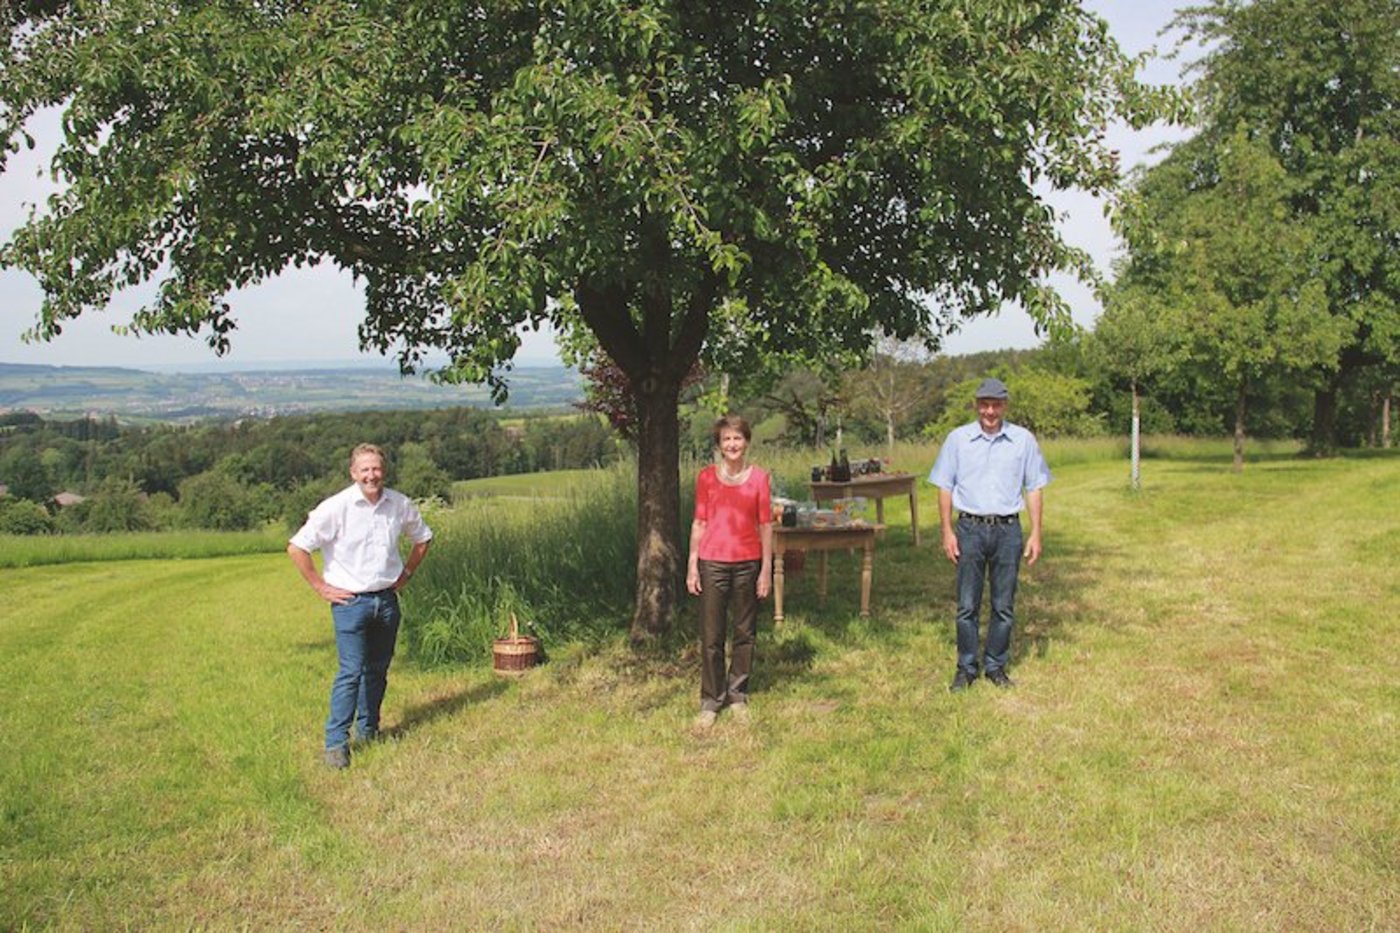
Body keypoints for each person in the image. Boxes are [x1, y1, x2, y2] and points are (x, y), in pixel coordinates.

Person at [288, 443, 433, 769]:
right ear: (353, 473)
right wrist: (320, 586)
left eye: (376, 468)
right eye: (365, 469)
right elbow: (297, 547)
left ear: (384, 471)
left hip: (386, 600)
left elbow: (423, 538)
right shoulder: (335, 507)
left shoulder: (398, 504)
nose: (372, 475)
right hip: (350, 603)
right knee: (351, 672)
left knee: (378, 671)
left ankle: (369, 729)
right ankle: (336, 743)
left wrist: (407, 572)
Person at [928, 378, 1050, 691]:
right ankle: (966, 668)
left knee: (1003, 605)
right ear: (976, 405)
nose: (990, 411)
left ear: (1005, 406)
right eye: (984, 404)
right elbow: (944, 486)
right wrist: (947, 531)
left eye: (996, 404)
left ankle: (996, 666)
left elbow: (1034, 487)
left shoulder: (1023, 440)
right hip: (969, 529)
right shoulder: (958, 440)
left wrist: (1036, 533)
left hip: (1008, 531)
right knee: (967, 605)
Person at [685, 415, 773, 730]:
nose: (732, 444)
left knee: (744, 633)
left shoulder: (760, 478)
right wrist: (692, 564)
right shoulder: (706, 477)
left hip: (748, 563)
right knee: (711, 635)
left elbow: (766, 526)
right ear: (719, 445)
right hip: (712, 562)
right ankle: (711, 701)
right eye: (726, 439)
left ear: (746, 442)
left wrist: (766, 570)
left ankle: (738, 696)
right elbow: (699, 523)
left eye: (737, 438)